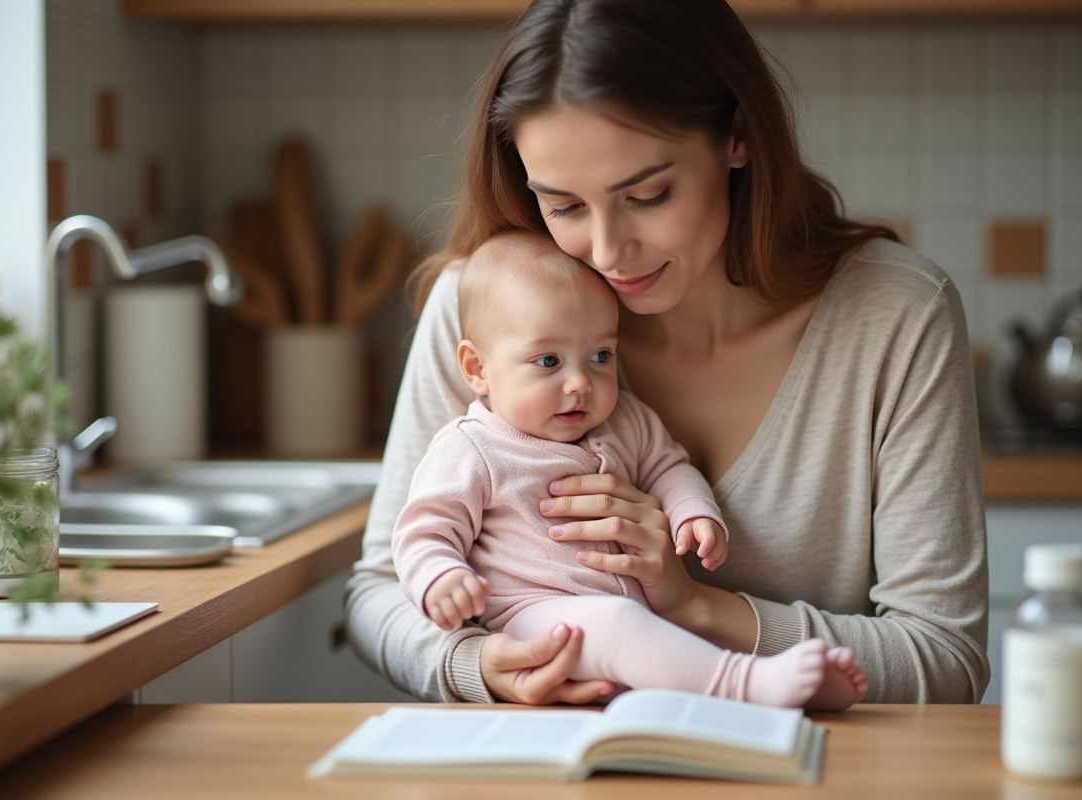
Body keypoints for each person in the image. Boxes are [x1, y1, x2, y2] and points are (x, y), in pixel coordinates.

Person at [346, 0, 989, 706]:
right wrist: (477, 663)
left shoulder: (896, 315)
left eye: (647, 195)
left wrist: (695, 605)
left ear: (737, 137)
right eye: (564, 206)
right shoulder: (487, 311)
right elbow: (378, 591)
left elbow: (946, 661)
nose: (607, 252)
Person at [391, 231, 868, 709]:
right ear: (477, 368)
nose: (580, 383)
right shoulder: (471, 447)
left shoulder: (626, 419)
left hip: (635, 623)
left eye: (600, 356)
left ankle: (792, 692)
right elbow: (422, 532)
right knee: (620, 624)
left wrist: (692, 511)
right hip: (534, 622)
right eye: (548, 361)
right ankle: (749, 684)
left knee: (655, 638)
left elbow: (669, 466)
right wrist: (441, 577)